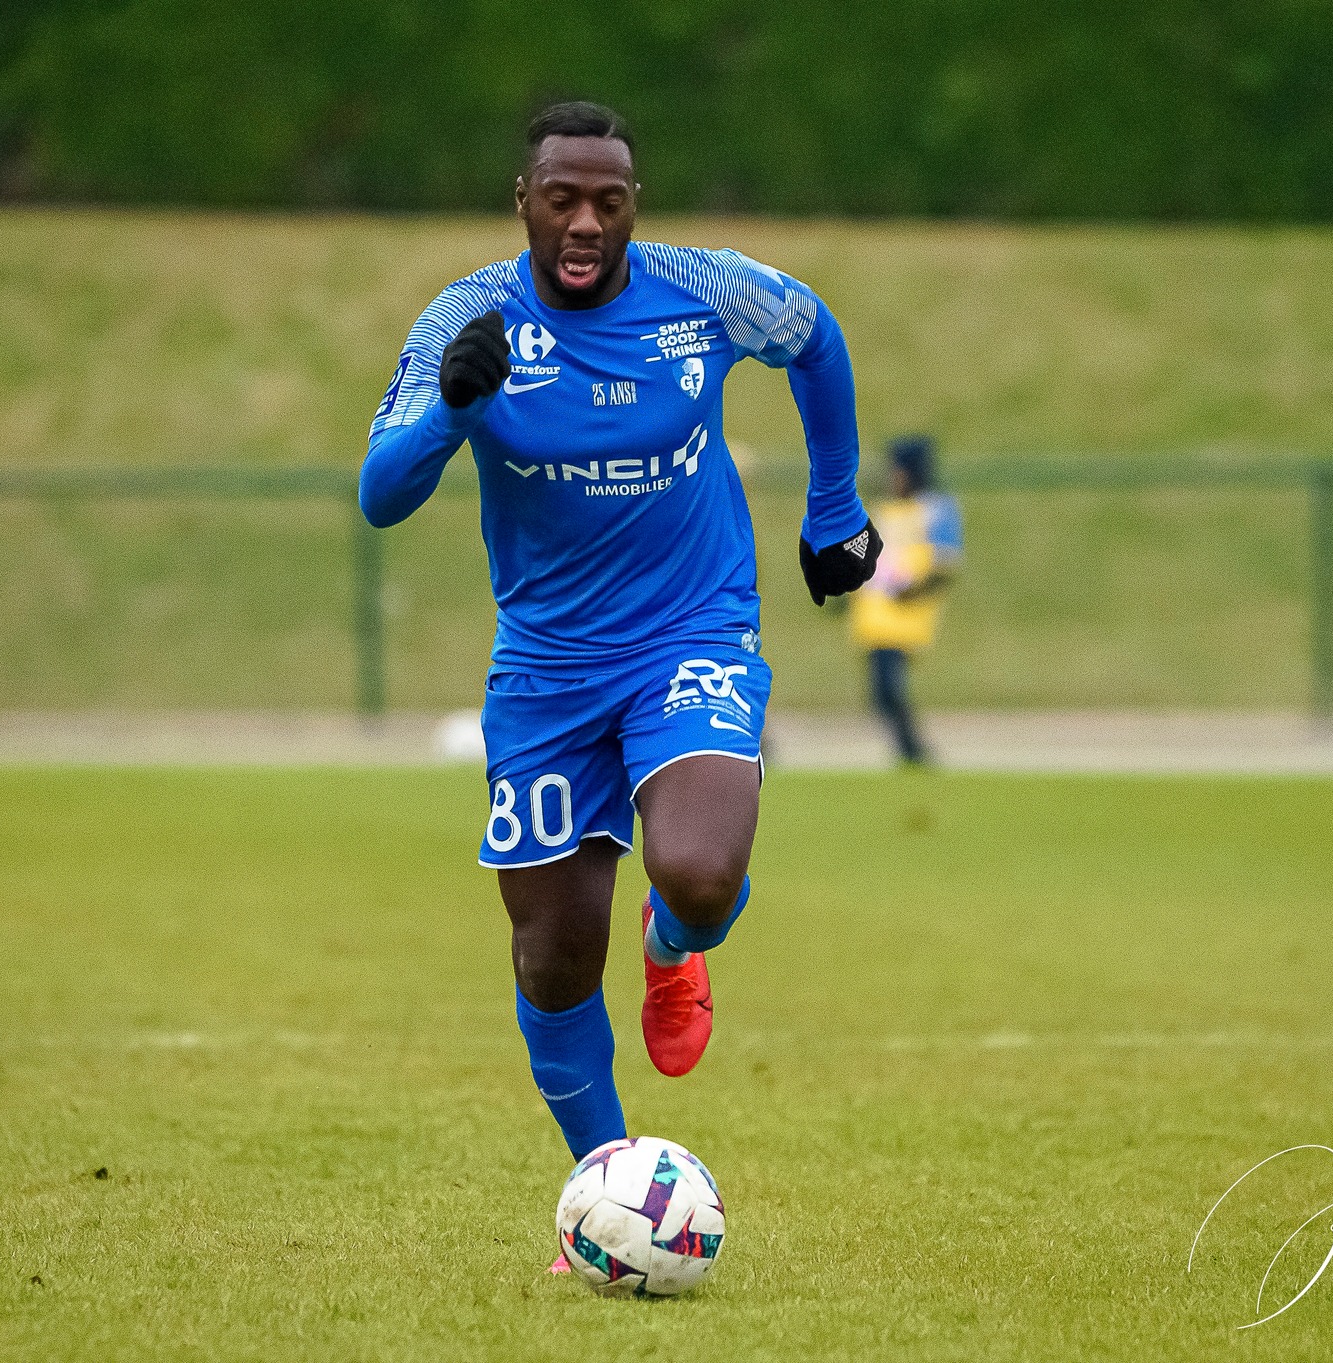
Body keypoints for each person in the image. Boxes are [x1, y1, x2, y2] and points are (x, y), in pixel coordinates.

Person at [357, 101, 881, 1265]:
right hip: (544, 672)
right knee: (549, 951)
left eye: (610, 198)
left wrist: (834, 507)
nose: (587, 221)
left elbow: (815, 338)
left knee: (697, 874)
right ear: (524, 205)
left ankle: (673, 942)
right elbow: (379, 494)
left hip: (691, 633)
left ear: (633, 203)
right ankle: (605, 1193)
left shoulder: (703, 290)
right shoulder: (468, 318)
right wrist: (451, 404)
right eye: (563, 199)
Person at [848, 436, 963, 765]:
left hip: (904, 614)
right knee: (882, 691)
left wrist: (913, 590)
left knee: (887, 688)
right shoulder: (884, 509)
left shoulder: (934, 509)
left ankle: (913, 750)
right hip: (875, 613)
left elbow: (945, 564)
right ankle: (910, 750)